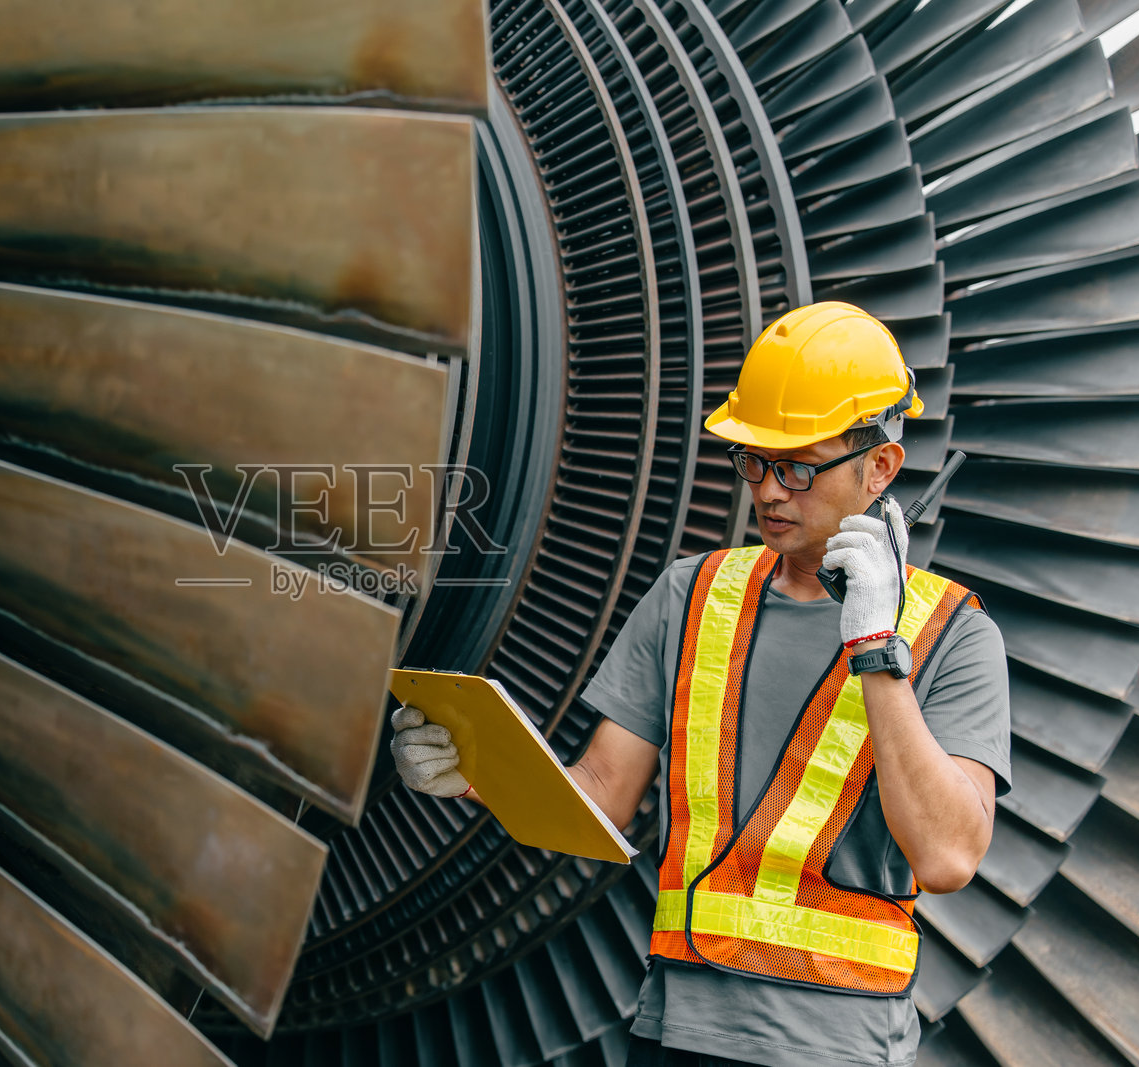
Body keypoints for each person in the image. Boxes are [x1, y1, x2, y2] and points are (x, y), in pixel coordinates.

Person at [390, 301, 1011, 1067]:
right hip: (674, 1032)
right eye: (752, 460)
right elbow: (602, 794)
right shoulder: (692, 595)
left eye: (797, 467)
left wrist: (877, 644)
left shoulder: (955, 634)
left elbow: (948, 857)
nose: (769, 492)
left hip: (839, 1049)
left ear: (879, 467)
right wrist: (474, 769)